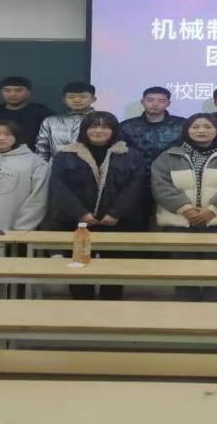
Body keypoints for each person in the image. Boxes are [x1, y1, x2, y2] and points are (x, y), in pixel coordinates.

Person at [43, 111, 147, 300]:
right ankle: (81, 305)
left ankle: (110, 305)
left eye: (105, 127)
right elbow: (58, 187)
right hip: (77, 223)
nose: (99, 131)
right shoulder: (66, 155)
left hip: (117, 223)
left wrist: (115, 213)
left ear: (114, 130)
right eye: (93, 126)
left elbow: (136, 186)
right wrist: (80, 213)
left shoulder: (131, 155)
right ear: (85, 129)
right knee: (79, 270)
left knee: (114, 271)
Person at [152, 113, 217, 301]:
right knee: (183, 275)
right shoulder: (169, 156)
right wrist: (186, 209)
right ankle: (185, 308)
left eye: (207, 127)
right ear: (187, 130)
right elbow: (161, 186)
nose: (201, 131)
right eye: (195, 127)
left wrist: (212, 211)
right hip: (179, 223)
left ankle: (214, 309)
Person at [0, 76, 55, 151]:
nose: (12, 94)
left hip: (31, 156)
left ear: (28, 93)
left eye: (18, 90)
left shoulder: (42, 113)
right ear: (1, 92)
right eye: (7, 90)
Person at [119, 86, 186, 168]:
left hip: (171, 171)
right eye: (150, 100)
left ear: (168, 103)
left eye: (161, 101)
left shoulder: (182, 125)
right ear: (142, 102)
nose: (155, 104)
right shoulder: (126, 126)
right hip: (137, 172)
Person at [36, 82, 97, 162]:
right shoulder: (50, 121)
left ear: (93, 99)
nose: (77, 100)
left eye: (83, 97)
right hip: (57, 166)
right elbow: (41, 150)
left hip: (91, 167)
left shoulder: (102, 121)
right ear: (63, 100)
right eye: (71, 97)